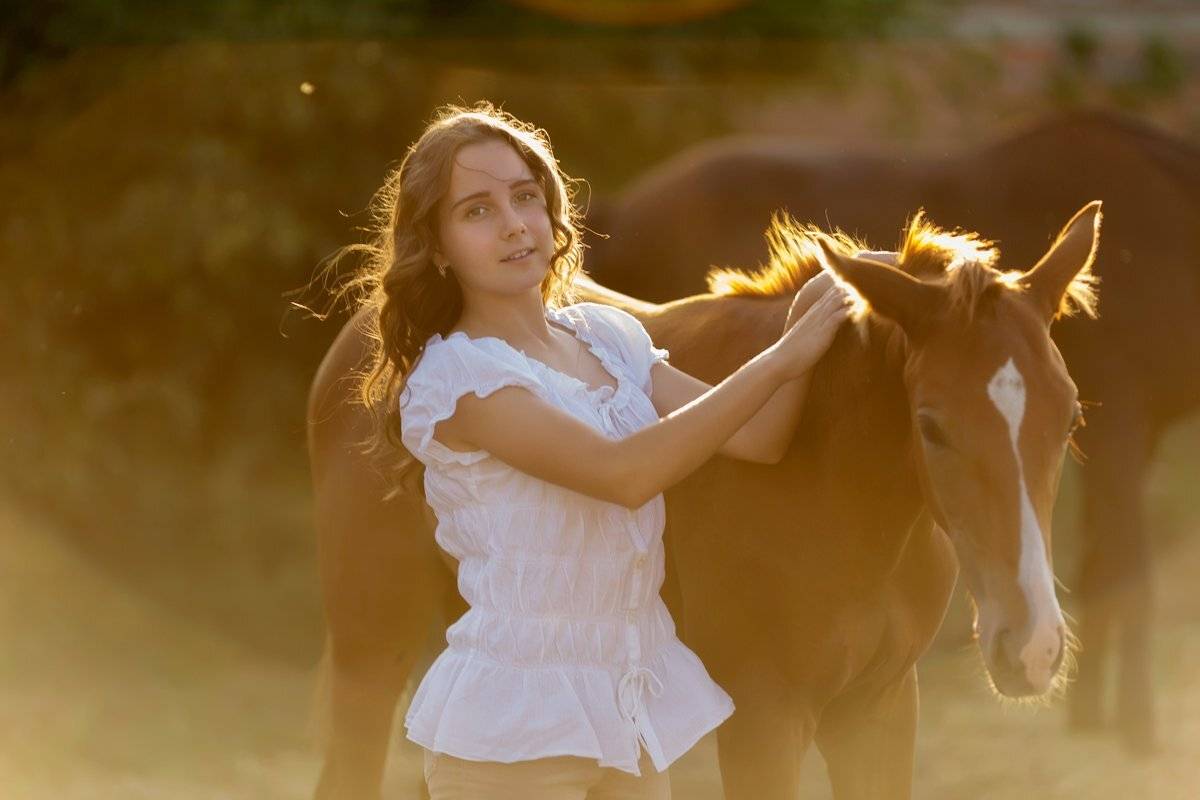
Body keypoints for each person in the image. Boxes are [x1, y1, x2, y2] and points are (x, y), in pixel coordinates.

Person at [350, 102, 857, 799]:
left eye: (525, 197)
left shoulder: (605, 337)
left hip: (627, 709)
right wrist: (781, 357)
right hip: (514, 732)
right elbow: (624, 475)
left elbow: (757, 437)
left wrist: (811, 315)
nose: (514, 224)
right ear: (436, 247)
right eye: (476, 211)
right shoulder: (459, 378)